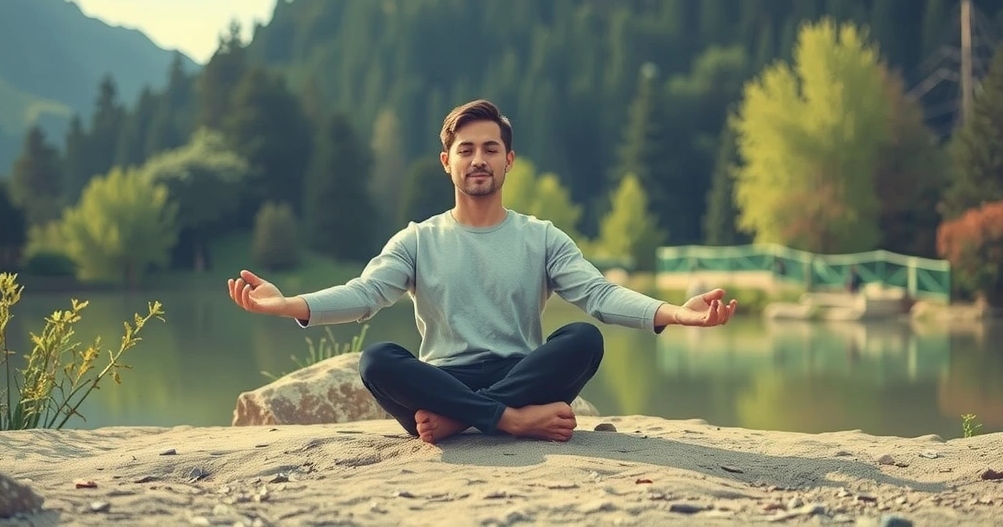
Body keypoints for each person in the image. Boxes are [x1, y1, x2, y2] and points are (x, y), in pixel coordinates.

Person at [227, 99, 737, 444]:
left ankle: (465, 420)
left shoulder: (541, 236)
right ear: (445, 161)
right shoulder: (417, 239)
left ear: (508, 160)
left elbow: (599, 295)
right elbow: (365, 294)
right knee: (377, 359)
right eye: (465, 150)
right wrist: (289, 303)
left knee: (584, 338)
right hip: (441, 383)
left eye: (490, 149)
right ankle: (508, 421)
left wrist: (676, 313)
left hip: (519, 374)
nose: (478, 160)